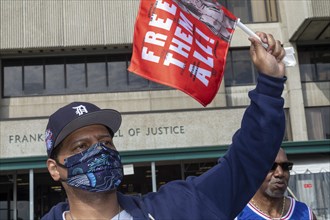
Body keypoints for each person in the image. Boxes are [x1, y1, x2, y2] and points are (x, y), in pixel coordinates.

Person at [42, 32, 287, 220]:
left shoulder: (176, 208)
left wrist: (270, 84)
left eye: (105, 142)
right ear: (55, 169)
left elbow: (245, 163)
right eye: (81, 146)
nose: (99, 152)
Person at [235, 148, 317, 220]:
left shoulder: (305, 214)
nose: (280, 173)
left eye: (285, 166)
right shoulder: (236, 213)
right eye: (271, 167)